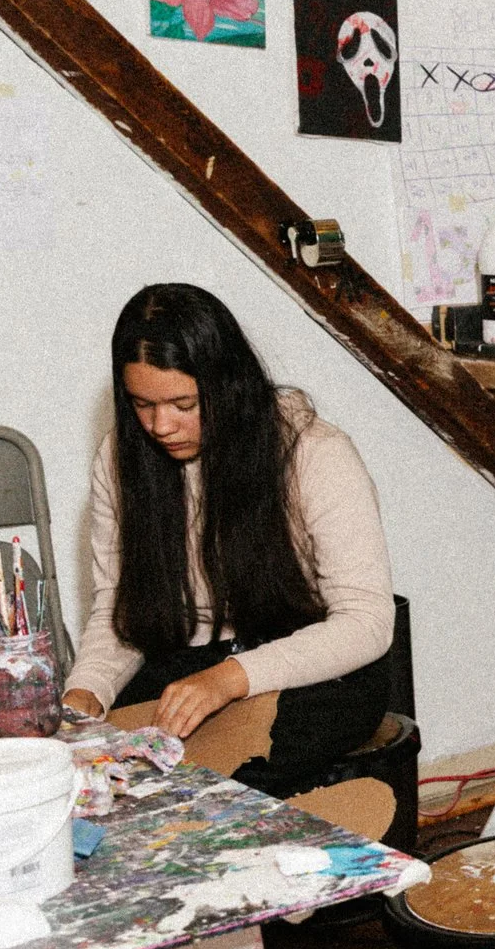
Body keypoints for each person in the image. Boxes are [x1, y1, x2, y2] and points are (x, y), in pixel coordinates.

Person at [63, 283, 396, 796]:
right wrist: (87, 690)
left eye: (182, 403)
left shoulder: (314, 451)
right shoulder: (119, 459)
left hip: (300, 665)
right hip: (190, 664)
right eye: (141, 405)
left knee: (221, 762)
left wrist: (230, 678)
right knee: (109, 762)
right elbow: (120, 611)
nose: (160, 425)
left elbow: (367, 623)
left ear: (227, 386)